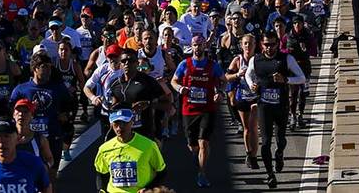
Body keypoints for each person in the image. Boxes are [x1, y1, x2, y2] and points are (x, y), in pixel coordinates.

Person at [245, 30, 307, 188]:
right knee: (265, 142)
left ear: (278, 44)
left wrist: (286, 79)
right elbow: (247, 74)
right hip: (264, 106)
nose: (269, 48)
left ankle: (279, 154)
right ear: (261, 44)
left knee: (280, 140)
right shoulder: (256, 59)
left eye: (272, 44)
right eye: (266, 44)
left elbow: (302, 77)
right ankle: (270, 174)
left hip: (281, 106)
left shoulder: (286, 59)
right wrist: (251, 84)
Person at [170, 34, 223, 188]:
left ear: (205, 46)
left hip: (207, 109)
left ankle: (202, 173)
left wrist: (219, 92)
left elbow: (223, 80)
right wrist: (180, 88)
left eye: (200, 44)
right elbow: (174, 81)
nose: (197, 47)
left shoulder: (213, 65)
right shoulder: (184, 64)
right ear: (191, 47)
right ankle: (195, 154)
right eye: (194, 45)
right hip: (189, 109)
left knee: (203, 142)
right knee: (192, 144)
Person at [94, 109, 167, 193]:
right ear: (111, 125)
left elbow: (162, 172)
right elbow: (101, 174)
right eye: (116, 123)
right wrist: (101, 190)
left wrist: (148, 189)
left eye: (124, 123)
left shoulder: (149, 145)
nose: (120, 127)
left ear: (132, 122)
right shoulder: (104, 148)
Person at [225, 34, 260, 170]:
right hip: (243, 97)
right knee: (247, 129)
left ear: (255, 45)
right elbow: (226, 77)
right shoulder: (237, 60)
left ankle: (254, 156)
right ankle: (248, 152)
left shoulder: (258, 59)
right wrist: (237, 75)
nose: (247, 46)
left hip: (255, 97)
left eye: (250, 43)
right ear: (241, 45)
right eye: (245, 43)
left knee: (254, 127)